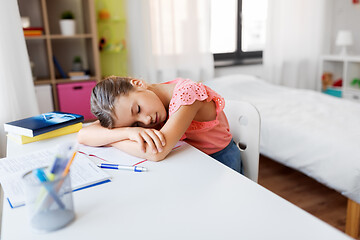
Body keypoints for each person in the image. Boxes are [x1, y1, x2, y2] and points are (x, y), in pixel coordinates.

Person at [77, 76, 242, 174]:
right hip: (190, 158)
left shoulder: (187, 96)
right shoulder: (147, 100)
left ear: (138, 83)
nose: (145, 121)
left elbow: (156, 153)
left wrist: (112, 139)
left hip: (220, 163)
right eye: (136, 123)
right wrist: (128, 132)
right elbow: (84, 134)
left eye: (138, 109)